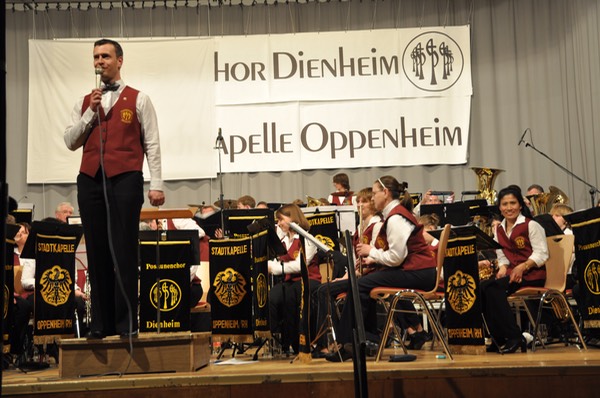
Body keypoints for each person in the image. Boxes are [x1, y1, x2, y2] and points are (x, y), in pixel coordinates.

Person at [64, 38, 165, 339]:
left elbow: (153, 144)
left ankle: (126, 324)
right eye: (96, 56)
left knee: (123, 250)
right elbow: (71, 141)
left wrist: (156, 184)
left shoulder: (139, 99)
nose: (100, 61)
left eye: (106, 56)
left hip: (126, 179)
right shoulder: (84, 102)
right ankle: (101, 324)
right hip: (90, 179)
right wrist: (89, 114)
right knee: (96, 251)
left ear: (119, 60)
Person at [326, 176, 437, 362]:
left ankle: (350, 343)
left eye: (374, 193)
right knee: (363, 284)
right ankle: (366, 340)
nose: (372, 198)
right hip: (416, 271)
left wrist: (372, 252)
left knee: (359, 285)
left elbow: (396, 257)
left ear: (385, 193)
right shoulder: (395, 215)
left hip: (420, 273)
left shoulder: (396, 218)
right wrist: (374, 260)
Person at [312, 187, 382, 357]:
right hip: (358, 276)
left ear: (372, 204)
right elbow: (352, 261)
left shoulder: (377, 225)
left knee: (324, 291)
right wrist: (342, 278)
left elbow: (376, 255)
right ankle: (334, 342)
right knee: (323, 289)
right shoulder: (359, 228)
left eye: (363, 201)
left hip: (371, 276)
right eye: (358, 201)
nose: (359, 204)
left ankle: (339, 342)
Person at [480, 185, 549, 354]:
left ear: (520, 205)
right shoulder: (499, 229)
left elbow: (542, 253)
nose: (509, 207)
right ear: (499, 207)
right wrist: (503, 267)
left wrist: (524, 265)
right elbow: (501, 254)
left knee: (494, 290)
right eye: (504, 204)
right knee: (482, 287)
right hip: (513, 274)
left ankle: (515, 336)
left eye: (512, 203)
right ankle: (498, 338)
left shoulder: (531, 225)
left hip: (533, 274)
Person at [268, 204, 321, 355]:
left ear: (292, 218)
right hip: (291, 281)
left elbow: (300, 265)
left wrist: (275, 268)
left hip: (309, 280)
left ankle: (299, 343)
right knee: (272, 296)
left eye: (281, 220)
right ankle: (279, 340)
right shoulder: (284, 240)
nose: (278, 223)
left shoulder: (307, 238)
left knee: (291, 295)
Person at [140, 217, 206, 307]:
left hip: (186, 285)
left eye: (150, 226)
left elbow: (200, 233)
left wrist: (177, 240)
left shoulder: (176, 220)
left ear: (153, 221)